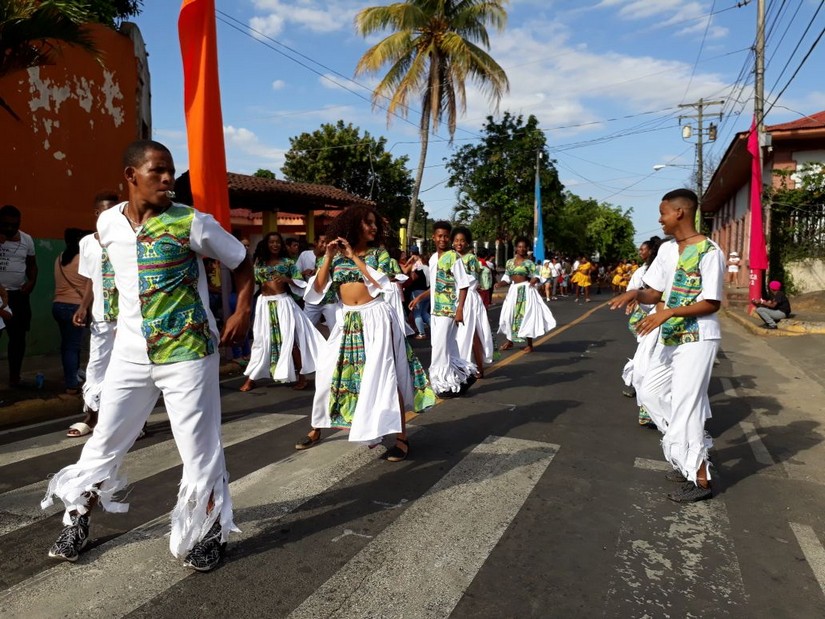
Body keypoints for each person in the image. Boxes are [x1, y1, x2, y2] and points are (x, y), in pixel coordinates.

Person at [41, 140, 254, 571]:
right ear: (131, 176)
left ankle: (209, 532)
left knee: (199, 449)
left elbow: (241, 259)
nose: (167, 178)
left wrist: (242, 309)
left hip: (188, 352)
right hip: (130, 352)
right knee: (105, 440)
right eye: (158, 170)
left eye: (170, 171)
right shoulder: (107, 223)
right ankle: (77, 520)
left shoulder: (192, 222)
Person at [610, 189, 724, 504]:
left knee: (687, 406)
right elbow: (654, 292)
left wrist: (669, 312)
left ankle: (700, 476)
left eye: (663, 213)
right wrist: (635, 293)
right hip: (671, 334)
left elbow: (712, 302)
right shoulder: (667, 250)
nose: (659, 219)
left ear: (679, 213)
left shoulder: (709, 251)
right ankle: (686, 452)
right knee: (649, 391)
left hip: (698, 337)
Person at [301, 205, 435, 459]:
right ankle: (317, 427)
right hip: (347, 320)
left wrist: (353, 257)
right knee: (327, 373)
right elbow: (317, 290)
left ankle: (401, 437)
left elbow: (381, 284)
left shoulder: (379, 254)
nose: (374, 227)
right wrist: (328, 257)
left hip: (376, 318)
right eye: (368, 223)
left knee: (385, 376)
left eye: (375, 223)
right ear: (354, 225)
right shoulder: (334, 256)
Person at [67, 193, 122, 438]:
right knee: (96, 368)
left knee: (127, 370)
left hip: (128, 318)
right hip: (101, 317)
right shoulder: (87, 243)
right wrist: (83, 306)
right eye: (105, 211)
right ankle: (92, 416)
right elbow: (91, 278)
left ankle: (136, 423)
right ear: (97, 214)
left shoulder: (129, 238)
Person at [240, 232, 322, 392]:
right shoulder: (259, 262)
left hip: (283, 304)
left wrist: (288, 280)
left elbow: (301, 283)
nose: (275, 245)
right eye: (271, 242)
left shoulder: (288, 263)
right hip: (264, 304)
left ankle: (302, 377)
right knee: (261, 340)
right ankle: (251, 378)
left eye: (278, 242)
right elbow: (253, 282)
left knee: (290, 340)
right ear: (266, 244)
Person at [409, 221, 476, 398]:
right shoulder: (432, 259)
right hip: (435, 311)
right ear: (433, 237)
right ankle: (463, 376)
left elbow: (463, 285)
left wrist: (459, 309)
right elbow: (435, 285)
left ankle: (443, 385)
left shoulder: (453, 257)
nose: (443, 239)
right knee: (446, 347)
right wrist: (419, 298)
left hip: (449, 311)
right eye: (440, 236)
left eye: (446, 236)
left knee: (440, 348)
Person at [620, 236, 663, 427]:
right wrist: (635, 298)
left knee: (656, 364)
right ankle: (647, 408)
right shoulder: (644, 271)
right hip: (650, 322)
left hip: (667, 322)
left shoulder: (668, 269)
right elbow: (638, 292)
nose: (640, 252)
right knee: (646, 362)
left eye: (643, 249)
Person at [495, 236, 556, 353]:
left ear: (527, 249)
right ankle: (510, 340)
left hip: (526, 290)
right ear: (516, 248)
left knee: (526, 316)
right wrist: (499, 284)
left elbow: (536, 275)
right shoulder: (509, 262)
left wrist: (534, 280)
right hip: (513, 291)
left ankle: (529, 344)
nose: (521, 249)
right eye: (519, 247)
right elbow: (507, 278)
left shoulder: (529, 263)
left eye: (524, 247)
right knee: (509, 315)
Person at [0, 204, 38, 386]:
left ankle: (15, 377)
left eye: (14, 225)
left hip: (17, 296)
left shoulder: (26, 240)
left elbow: (32, 266)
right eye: (5, 224)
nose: (9, 228)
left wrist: (31, 282)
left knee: (18, 338)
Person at [452, 227, 494, 379]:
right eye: (456, 240)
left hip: (468, 298)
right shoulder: (451, 257)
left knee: (472, 333)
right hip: (456, 297)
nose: (459, 243)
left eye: (462, 241)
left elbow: (469, 281)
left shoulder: (470, 259)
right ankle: (462, 366)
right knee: (459, 334)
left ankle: (479, 367)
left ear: (468, 243)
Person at [52, 228, 89, 395]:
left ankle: (73, 374)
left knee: (67, 345)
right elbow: (89, 286)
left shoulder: (60, 257)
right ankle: (72, 384)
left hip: (58, 305)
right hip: (75, 307)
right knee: (72, 346)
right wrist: (85, 307)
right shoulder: (83, 260)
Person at [297, 235, 339, 334]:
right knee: (304, 329)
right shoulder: (305, 255)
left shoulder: (334, 257)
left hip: (330, 300)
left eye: (327, 242)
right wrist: (303, 273)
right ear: (315, 242)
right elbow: (295, 274)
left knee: (335, 332)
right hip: (312, 299)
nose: (325, 245)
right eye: (322, 242)